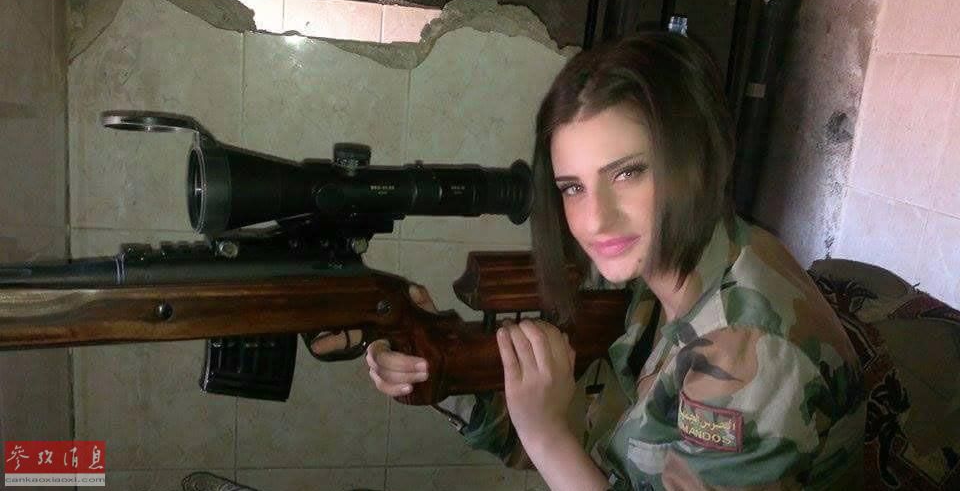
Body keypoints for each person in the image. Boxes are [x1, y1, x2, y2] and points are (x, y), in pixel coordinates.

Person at [312, 32, 866, 490]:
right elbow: (597, 447)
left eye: (627, 172)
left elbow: (561, 444)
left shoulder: (750, 349)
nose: (596, 220)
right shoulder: (663, 276)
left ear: (695, 160)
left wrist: (546, 433)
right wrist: (434, 357)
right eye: (572, 188)